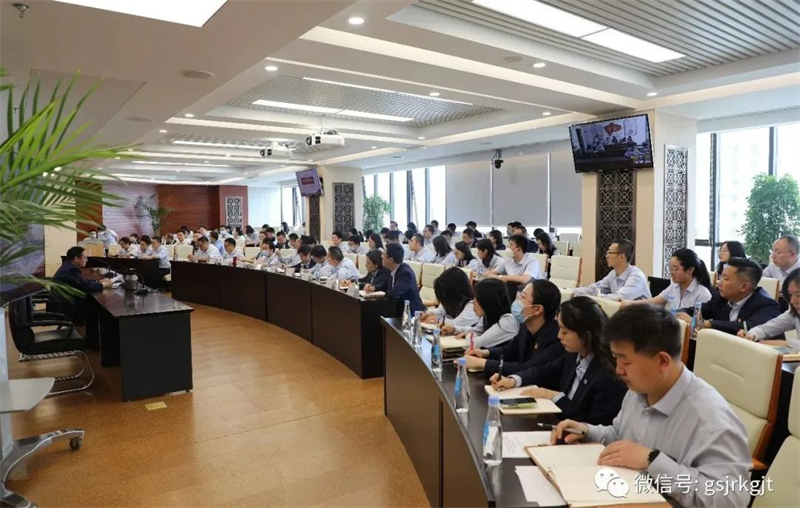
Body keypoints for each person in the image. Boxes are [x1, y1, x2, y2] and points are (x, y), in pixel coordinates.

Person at [551, 305, 751, 508]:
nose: (618, 370)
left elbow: (731, 499)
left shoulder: (709, 417)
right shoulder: (640, 389)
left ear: (662, 361)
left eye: (626, 362)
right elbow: (621, 436)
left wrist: (653, 460)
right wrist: (586, 431)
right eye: (616, 359)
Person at [493, 296, 626, 425]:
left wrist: (555, 396)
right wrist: (513, 380)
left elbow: (591, 424)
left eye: (565, 332)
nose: (559, 336)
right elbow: (544, 371)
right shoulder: (574, 354)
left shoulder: (609, 373)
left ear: (587, 335)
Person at [464, 279, 564, 375]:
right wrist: (485, 353)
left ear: (537, 309)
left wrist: (482, 363)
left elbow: (528, 368)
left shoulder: (556, 337)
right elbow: (509, 351)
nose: (517, 301)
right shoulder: (525, 326)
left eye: (523, 297)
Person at [678, 257, 781, 334]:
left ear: (744, 286)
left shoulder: (767, 305)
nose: (719, 283)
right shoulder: (720, 298)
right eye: (721, 277)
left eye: (726, 279)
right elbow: (699, 311)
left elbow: (748, 327)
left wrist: (707, 324)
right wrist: (681, 313)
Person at [623, 248, 712, 313]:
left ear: (690, 270)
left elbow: (701, 324)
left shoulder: (703, 294)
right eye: (670, 268)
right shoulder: (674, 287)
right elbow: (652, 302)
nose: (672, 273)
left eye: (675, 269)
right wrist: (630, 303)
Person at [442, 278, 517, 348]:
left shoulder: (507, 321)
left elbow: (476, 344)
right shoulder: (487, 316)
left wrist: (469, 335)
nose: (473, 301)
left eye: (477, 298)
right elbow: (476, 331)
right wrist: (455, 329)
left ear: (487, 300)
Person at [572, 239, 650, 301]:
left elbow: (619, 298)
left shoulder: (636, 276)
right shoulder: (613, 274)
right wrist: (570, 291)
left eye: (609, 252)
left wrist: (596, 297)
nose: (606, 256)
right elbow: (593, 289)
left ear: (621, 257)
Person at [741, 268, 800, 342]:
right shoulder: (793, 314)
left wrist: (787, 343)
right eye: (790, 295)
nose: (792, 301)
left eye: (798, 295)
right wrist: (752, 334)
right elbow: (765, 329)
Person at [378, 243, 425, 313]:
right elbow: (384, 287)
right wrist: (374, 287)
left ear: (391, 260)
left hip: (411, 313)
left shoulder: (405, 273)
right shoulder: (392, 270)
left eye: (383, 255)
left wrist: (383, 296)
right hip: (398, 309)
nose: (381, 257)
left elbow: (394, 293)